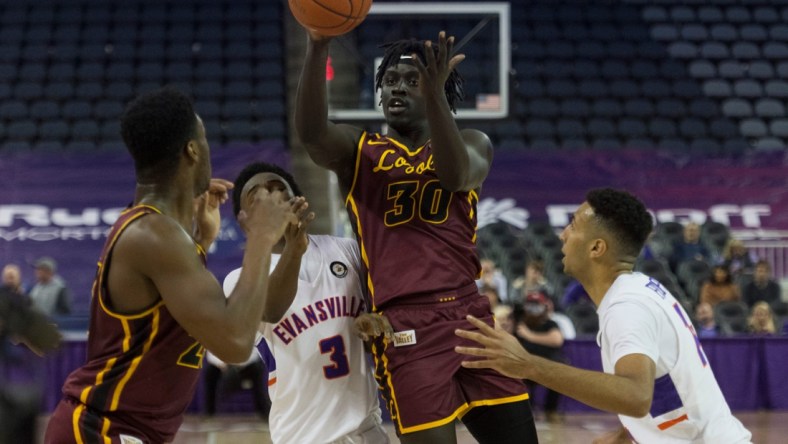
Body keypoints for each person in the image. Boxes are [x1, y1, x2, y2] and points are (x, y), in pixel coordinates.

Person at [295, 29, 536, 443]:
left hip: (469, 317)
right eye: (390, 81)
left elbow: (455, 175)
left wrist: (437, 95)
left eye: (412, 81)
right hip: (405, 326)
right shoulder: (360, 151)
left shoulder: (473, 143)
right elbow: (313, 134)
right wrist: (318, 46)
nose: (397, 89)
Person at [44, 88, 302, 444]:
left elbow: (174, 317)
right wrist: (260, 236)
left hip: (122, 431)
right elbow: (236, 342)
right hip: (100, 431)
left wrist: (202, 242)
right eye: (205, 138)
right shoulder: (153, 235)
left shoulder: (154, 229)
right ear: (192, 150)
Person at [456, 188, 752, 444]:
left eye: (572, 225)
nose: (563, 234)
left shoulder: (627, 307)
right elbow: (667, 382)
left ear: (597, 247)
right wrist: (628, 433)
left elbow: (635, 396)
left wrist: (527, 365)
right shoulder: (638, 291)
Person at [222, 162, 389, 444]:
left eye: (278, 189)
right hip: (303, 436)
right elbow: (272, 309)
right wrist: (294, 249)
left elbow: (385, 312)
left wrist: (377, 320)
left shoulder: (346, 250)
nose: (272, 198)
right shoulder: (238, 279)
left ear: (298, 199)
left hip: (367, 430)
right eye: (258, 196)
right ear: (244, 219)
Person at [514, 292, 564, 423]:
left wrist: (529, 335)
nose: (533, 309)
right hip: (524, 366)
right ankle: (526, 411)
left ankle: (550, 411)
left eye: (537, 305)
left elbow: (557, 340)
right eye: (530, 305)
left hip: (547, 365)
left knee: (560, 372)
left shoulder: (550, 323)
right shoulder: (519, 323)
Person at [203, 349, 270, 419]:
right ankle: (209, 413)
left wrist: (237, 364)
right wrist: (223, 364)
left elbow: (255, 352)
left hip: (246, 364)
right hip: (223, 365)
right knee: (210, 371)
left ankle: (264, 412)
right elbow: (210, 352)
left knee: (257, 368)